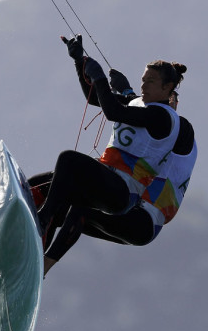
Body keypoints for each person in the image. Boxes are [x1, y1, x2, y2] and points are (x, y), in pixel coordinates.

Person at [36, 34, 189, 275]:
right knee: (44, 185)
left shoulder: (163, 117)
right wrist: (79, 61)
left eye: (150, 81)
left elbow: (113, 112)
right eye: (142, 80)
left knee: (69, 160)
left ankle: (41, 221)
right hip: (109, 179)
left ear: (167, 88)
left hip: (123, 191)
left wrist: (99, 77)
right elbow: (96, 99)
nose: (143, 85)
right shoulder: (139, 104)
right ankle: (34, 252)